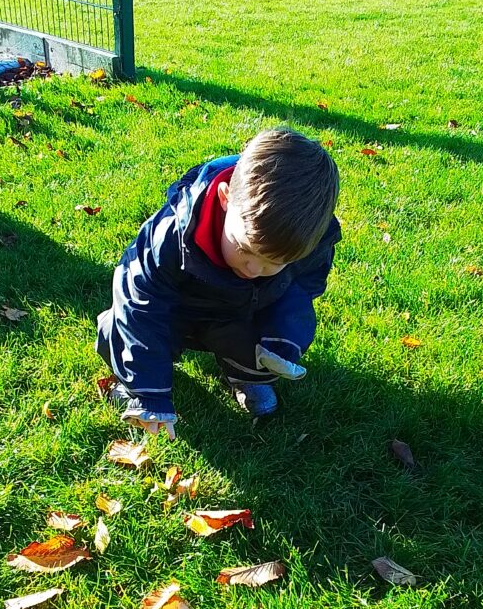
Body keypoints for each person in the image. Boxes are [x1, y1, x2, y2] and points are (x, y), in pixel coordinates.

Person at [96, 127, 341, 440]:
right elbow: (141, 305)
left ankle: (246, 377)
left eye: (274, 263)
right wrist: (149, 392)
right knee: (121, 328)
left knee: (266, 346)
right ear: (225, 199)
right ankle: (135, 386)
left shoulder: (308, 240)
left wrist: (284, 338)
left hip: (238, 311)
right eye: (244, 248)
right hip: (176, 310)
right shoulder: (171, 235)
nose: (254, 268)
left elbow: (301, 289)